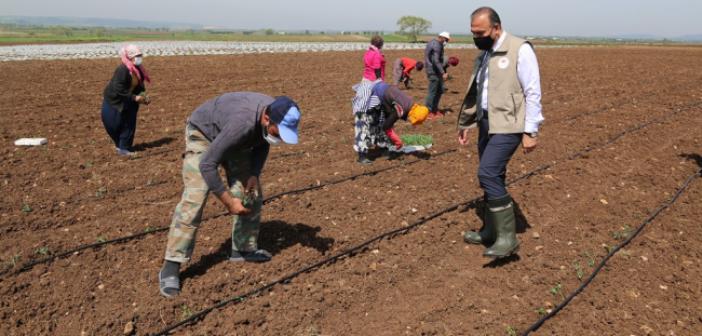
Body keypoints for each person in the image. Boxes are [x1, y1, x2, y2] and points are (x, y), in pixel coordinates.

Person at [159, 93, 301, 297]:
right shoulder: (243, 123)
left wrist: (254, 173)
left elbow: (263, 142)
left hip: (232, 138)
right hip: (204, 134)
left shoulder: (273, 112)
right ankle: (171, 265)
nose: (280, 138)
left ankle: (243, 248)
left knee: (251, 191)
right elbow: (207, 164)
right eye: (279, 132)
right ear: (266, 119)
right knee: (195, 197)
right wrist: (228, 202)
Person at [457, 7, 544, 258]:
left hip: (509, 124)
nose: (476, 37)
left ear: (496, 27)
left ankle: (508, 239)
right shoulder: (484, 54)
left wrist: (531, 131)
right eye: (473, 32)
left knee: (487, 172)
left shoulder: (520, 49)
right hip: (487, 122)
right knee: (494, 175)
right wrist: (466, 123)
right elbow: (478, 92)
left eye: (480, 32)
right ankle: (489, 231)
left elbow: (533, 91)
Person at [353, 82, 429, 164]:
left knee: (380, 120)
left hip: (380, 91)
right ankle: (362, 155)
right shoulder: (402, 109)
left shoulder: (410, 104)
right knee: (365, 121)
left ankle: (382, 146)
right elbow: (387, 126)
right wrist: (396, 139)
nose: (410, 121)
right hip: (370, 92)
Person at [101, 44, 151, 156]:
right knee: (112, 124)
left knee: (129, 124)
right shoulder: (122, 70)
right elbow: (119, 88)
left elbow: (139, 86)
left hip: (130, 101)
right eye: (137, 56)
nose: (139, 58)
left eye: (140, 55)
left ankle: (124, 147)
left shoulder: (138, 69)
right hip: (115, 100)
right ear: (130, 57)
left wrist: (143, 96)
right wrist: (134, 97)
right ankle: (119, 145)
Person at [424, 31, 450, 119]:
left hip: (435, 70)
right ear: (441, 37)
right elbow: (435, 60)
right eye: (445, 39)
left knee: (439, 90)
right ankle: (428, 111)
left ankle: (434, 109)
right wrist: (443, 72)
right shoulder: (437, 45)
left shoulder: (434, 43)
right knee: (433, 92)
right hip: (433, 71)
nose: (446, 42)